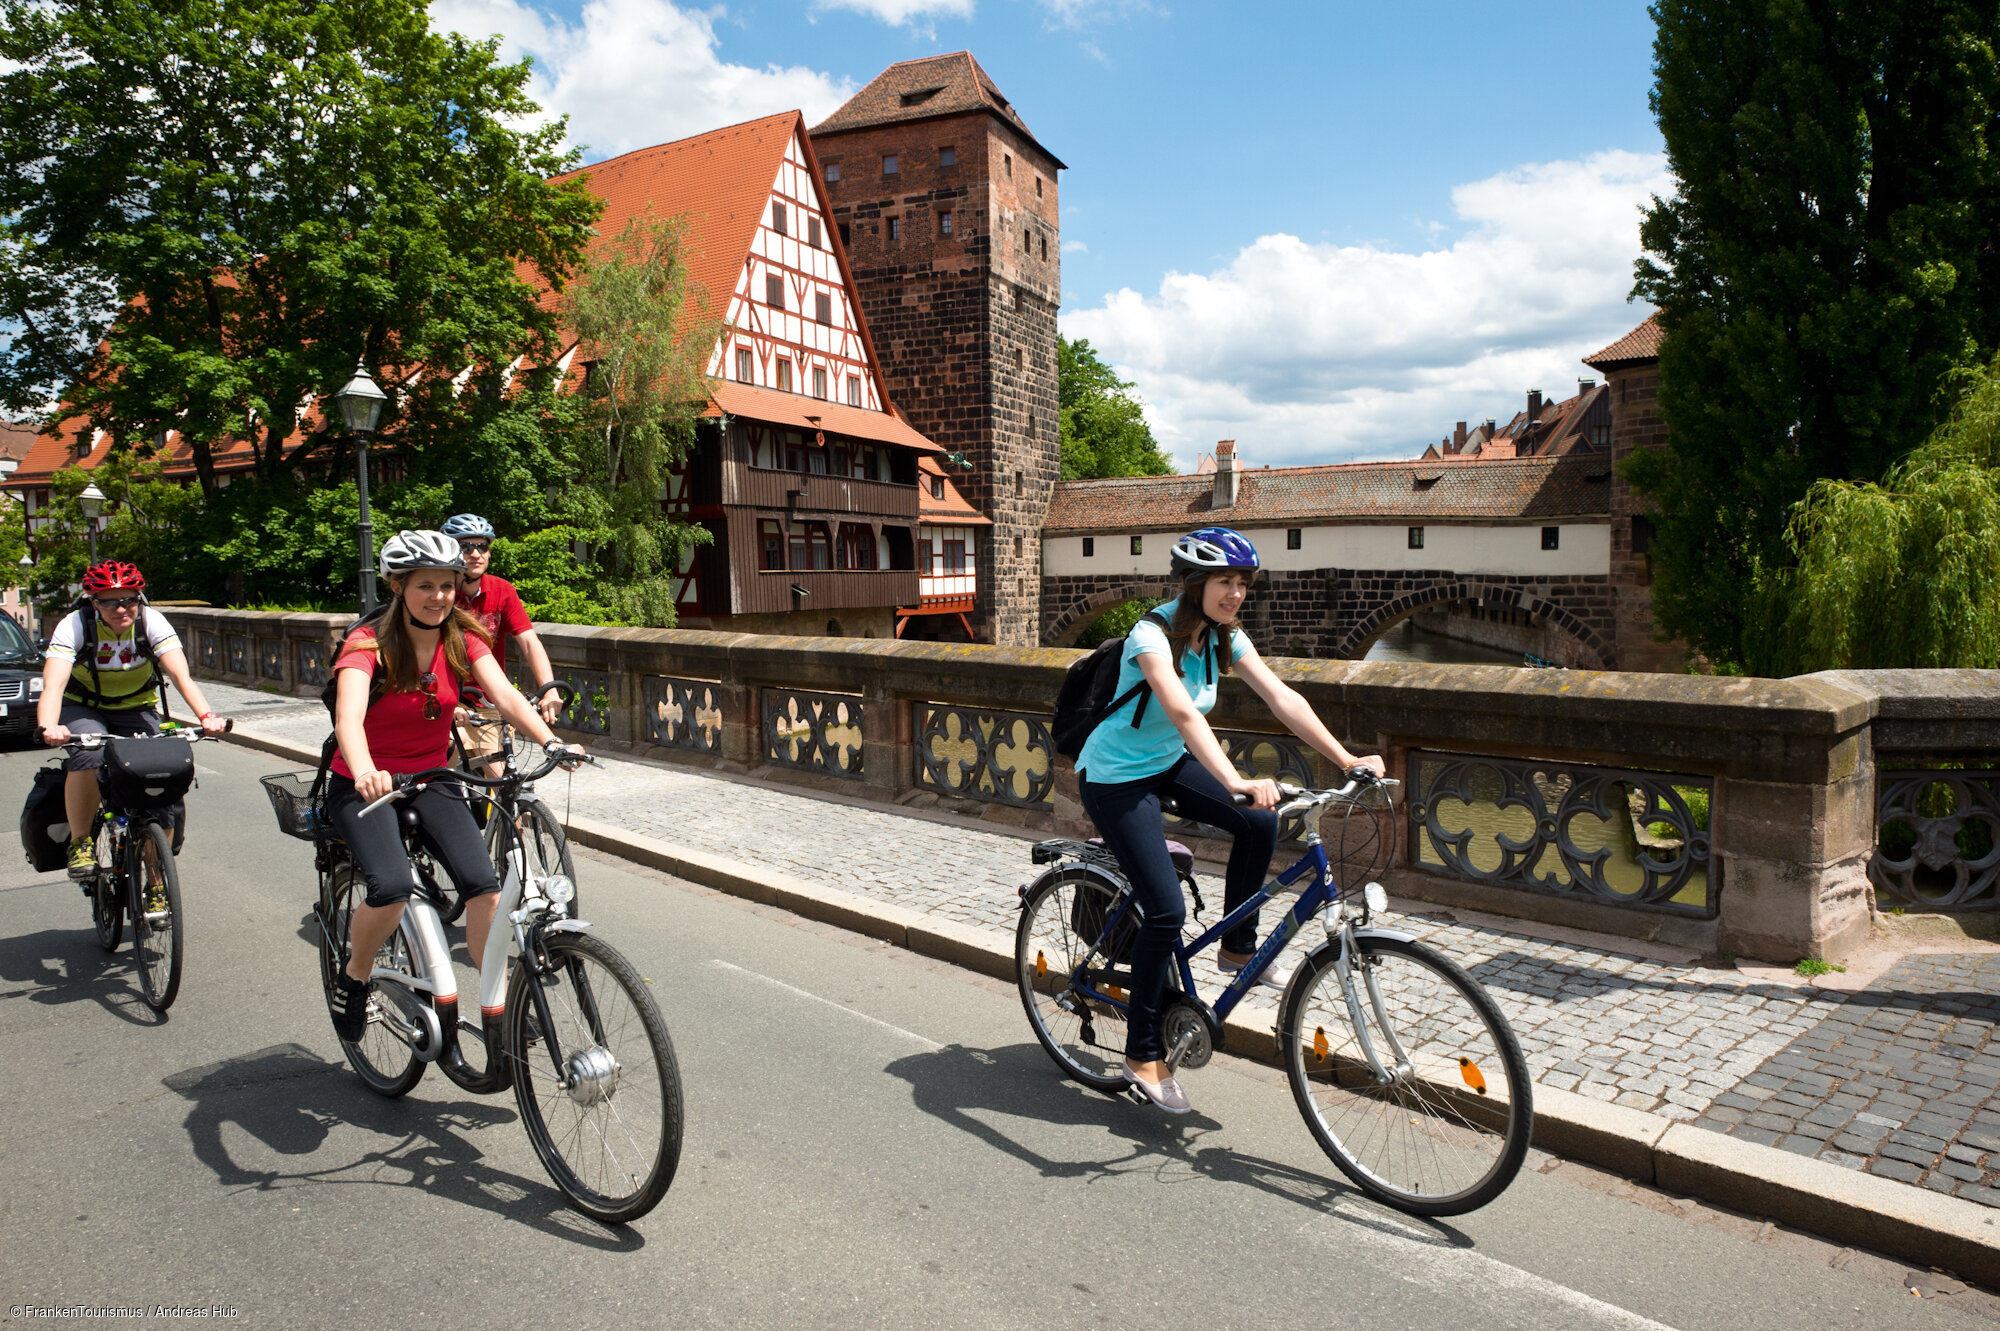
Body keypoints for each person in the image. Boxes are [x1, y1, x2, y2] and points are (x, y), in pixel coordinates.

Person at [1074, 527, 1385, 1114]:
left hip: (1163, 764)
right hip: (1114, 777)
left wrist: (1346, 757)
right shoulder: (1151, 634)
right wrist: (1235, 780)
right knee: (1164, 908)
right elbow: (1182, 710)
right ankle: (1141, 1054)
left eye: (1243, 584)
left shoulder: (1226, 638)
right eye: (1225, 581)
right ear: (1195, 584)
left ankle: (1238, 949)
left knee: (1259, 824)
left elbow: (1281, 697)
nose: (1236, 593)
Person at [325, 530, 583, 1043]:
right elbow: (348, 719)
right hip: (364, 785)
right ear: (398, 586)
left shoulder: (461, 636)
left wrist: (553, 742)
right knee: (392, 887)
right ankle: (354, 977)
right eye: (426, 585)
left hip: (433, 777)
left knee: (485, 889)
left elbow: (506, 695)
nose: (439, 596)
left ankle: (496, 1006)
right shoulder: (367, 643)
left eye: (448, 584)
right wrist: (365, 769)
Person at [35, 561, 228, 880]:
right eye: (109, 601)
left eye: (129, 599)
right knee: (89, 753)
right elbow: (54, 685)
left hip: (137, 706)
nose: (120, 608)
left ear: (139, 598)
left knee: (160, 770)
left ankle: (156, 883)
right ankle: (81, 842)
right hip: (84, 707)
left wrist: (206, 716)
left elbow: (181, 676)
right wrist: (49, 725)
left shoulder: (152, 622)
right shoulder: (75, 625)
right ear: (93, 602)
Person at [437, 513, 561, 769]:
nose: (475, 553)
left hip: (488, 697)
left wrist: (549, 688)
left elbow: (528, 641)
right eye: (465, 547)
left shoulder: (502, 590)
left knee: (503, 778)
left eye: (482, 546)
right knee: (442, 773)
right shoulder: (439, 595)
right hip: (446, 697)